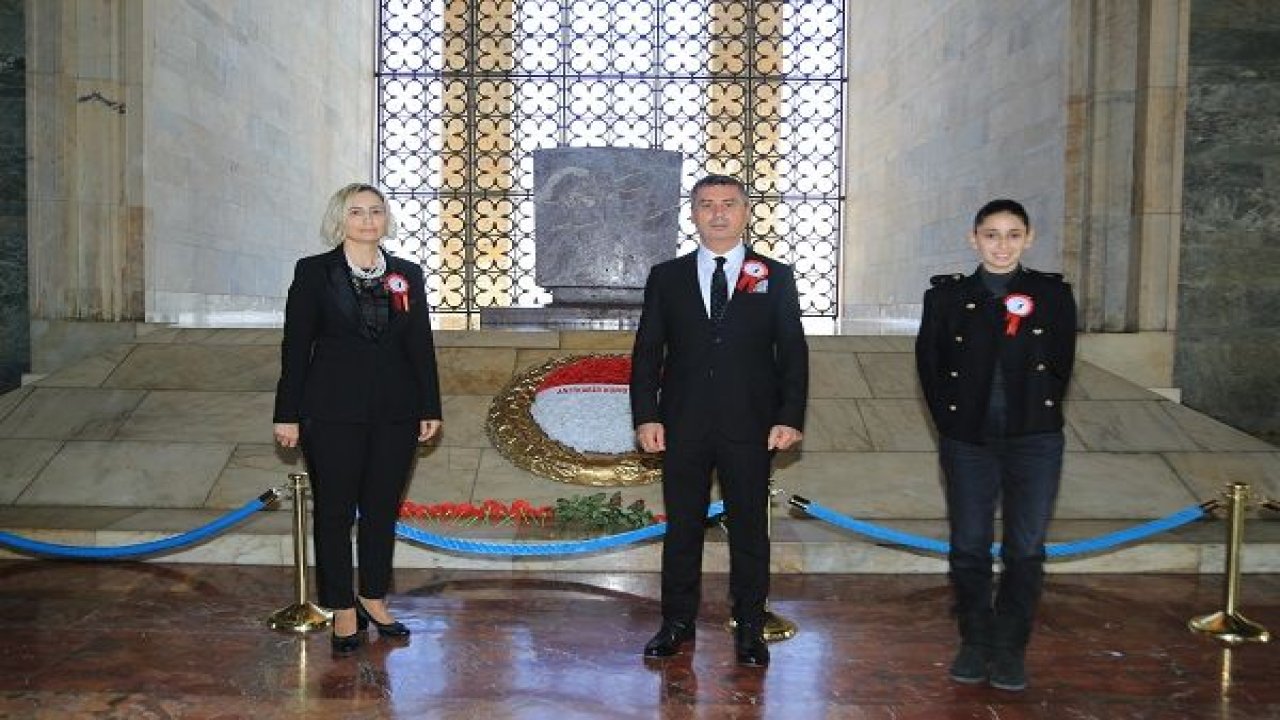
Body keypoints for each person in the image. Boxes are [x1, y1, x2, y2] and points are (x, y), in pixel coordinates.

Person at [630, 174, 808, 667]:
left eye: (729, 204)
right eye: (707, 205)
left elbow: (792, 350)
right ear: (693, 214)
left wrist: (789, 416)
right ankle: (676, 623)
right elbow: (647, 352)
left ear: (746, 211)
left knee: (750, 528)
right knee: (682, 528)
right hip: (682, 423)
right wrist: (646, 414)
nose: (718, 214)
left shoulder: (775, 274)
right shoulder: (668, 276)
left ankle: (750, 626)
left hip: (752, 424)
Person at [272, 183, 443, 654]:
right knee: (334, 512)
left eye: (376, 211)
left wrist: (430, 405)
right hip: (330, 413)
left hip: (396, 413)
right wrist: (287, 414)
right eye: (357, 212)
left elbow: (419, 346)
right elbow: (295, 348)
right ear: (340, 219)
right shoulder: (314, 273)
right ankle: (342, 607)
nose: (368, 220)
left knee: (382, 511)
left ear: (386, 219)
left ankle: (372, 597)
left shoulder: (406, 275)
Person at [915, 198, 1077, 691]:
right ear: (974, 239)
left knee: (1025, 548)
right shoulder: (947, 298)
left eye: (1012, 234)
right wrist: (953, 424)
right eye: (991, 234)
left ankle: (1010, 646)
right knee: (968, 546)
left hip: (1035, 439)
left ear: (1028, 238)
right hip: (969, 442)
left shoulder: (1051, 295)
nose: (1001, 245)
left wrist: (1039, 412)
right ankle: (975, 638)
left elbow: (1062, 363)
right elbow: (931, 367)